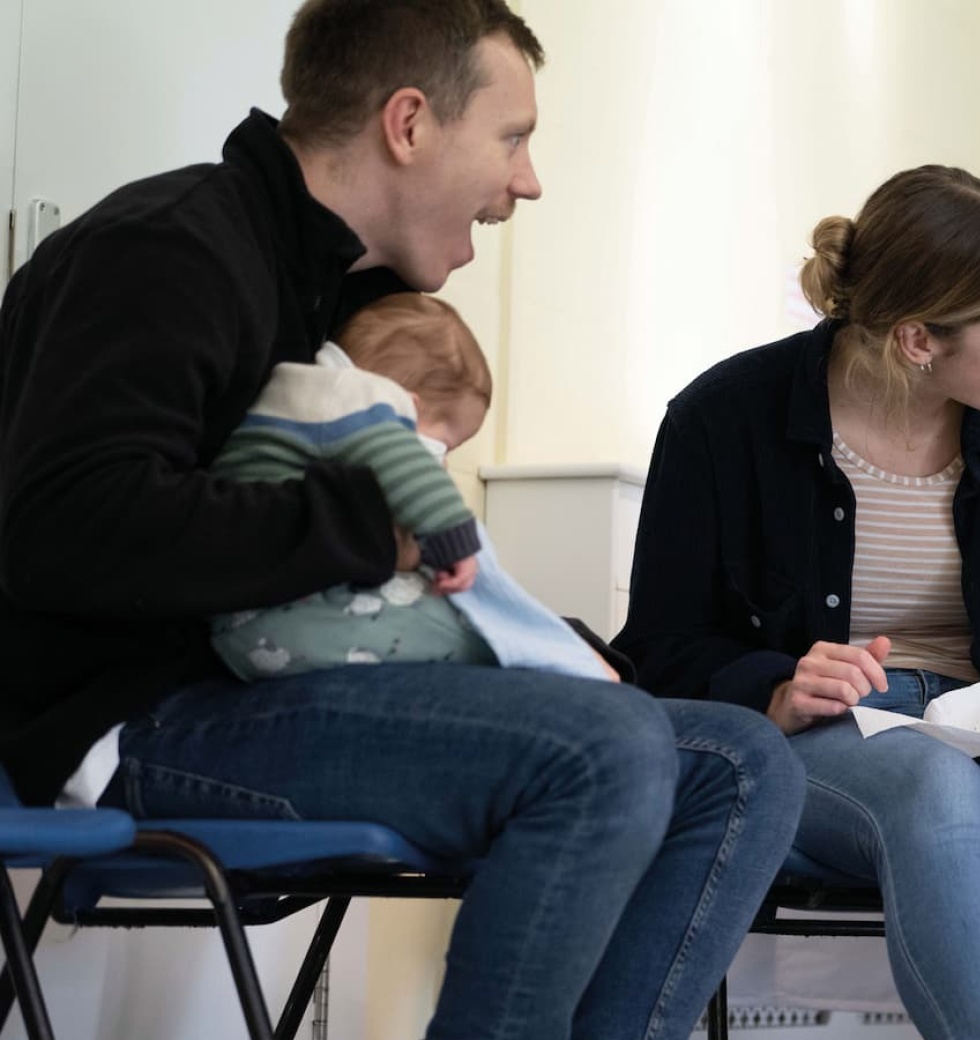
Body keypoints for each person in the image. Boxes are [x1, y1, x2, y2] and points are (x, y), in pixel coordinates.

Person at [0, 3, 803, 1038]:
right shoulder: (168, 252)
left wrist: (542, 649)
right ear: (410, 123)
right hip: (137, 720)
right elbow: (65, 530)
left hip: (281, 685)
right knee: (605, 751)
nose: (528, 180)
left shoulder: (326, 290)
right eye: (512, 137)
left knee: (738, 765)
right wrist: (378, 524)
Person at [615, 165, 980, 1040]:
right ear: (916, 340)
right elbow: (660, 645)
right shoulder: (725, 419)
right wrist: (778, 687)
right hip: (828, 744)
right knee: (933, 786)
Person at [210, 293, 497, 678]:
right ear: (404, 406)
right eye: (442, 446)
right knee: (468, 637)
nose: (441, 464)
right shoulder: (347, 399)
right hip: (269, 623)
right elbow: (396, 455)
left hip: (264, 611)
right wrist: (453, 532)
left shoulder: (308, 400)